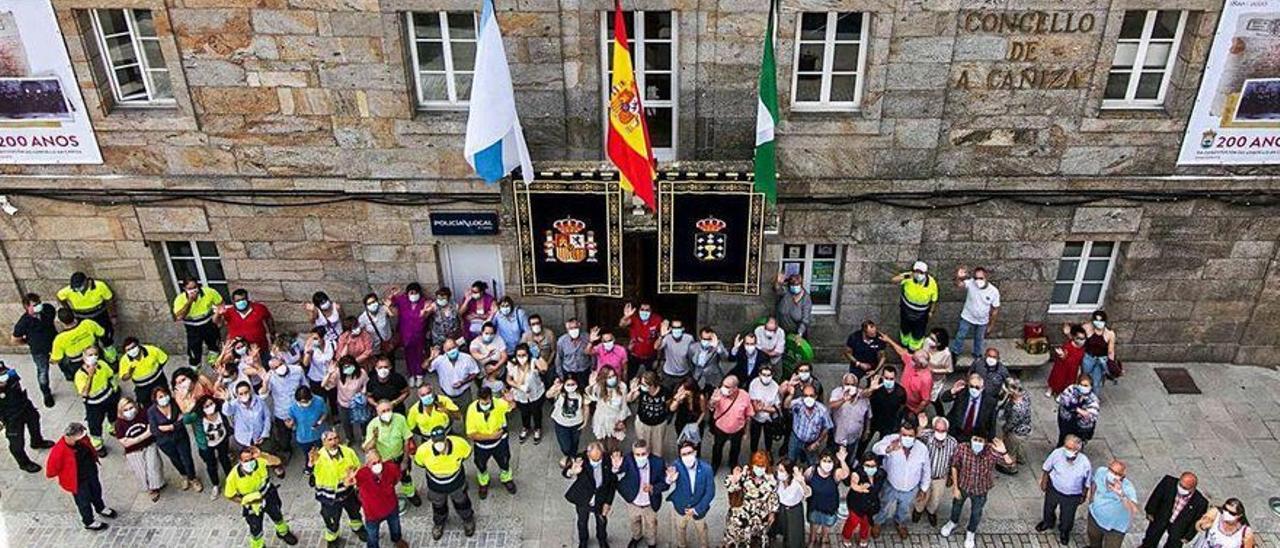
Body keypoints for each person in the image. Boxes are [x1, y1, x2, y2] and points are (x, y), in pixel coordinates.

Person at [940, 435, 1012, 547]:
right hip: (963, 485)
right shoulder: (963, 448)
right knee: (956, 505)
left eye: (980, 440)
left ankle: (971, 531)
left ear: (985, 442)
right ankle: (953, 522)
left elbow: (1009, 464)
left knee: (976, 512)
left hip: (981, 489)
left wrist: (1004, 452)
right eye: (975, 439)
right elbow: (954, 465)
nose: (977, 442)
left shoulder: (991, 451)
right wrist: (955, 487)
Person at [46, 422, 118, 531]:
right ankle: (89, 521)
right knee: (83, 502)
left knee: (96, 491)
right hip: (77, 481)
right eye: (79, 436)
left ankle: (101, 508)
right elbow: (51, 471)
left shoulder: (82, 440)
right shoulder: (59, 451)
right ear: (70, 437)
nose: (83, 437)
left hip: (91, 472)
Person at [224, 446, 300, 547]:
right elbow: (230, 495)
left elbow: (277, 461)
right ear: (240, 461)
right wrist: (244, 501)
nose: (250, 462)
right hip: (252, 504)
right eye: (246, 460)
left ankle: (283, 533)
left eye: (251, 459)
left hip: (268, 495)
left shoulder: (260, 460)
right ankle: (258, 546)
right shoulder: (233, 477)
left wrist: (262, 455)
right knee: (255, 528)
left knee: (277, 515)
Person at [871, 422, 931, 541]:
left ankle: (900, 523)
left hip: (910, 488)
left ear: (915, 436)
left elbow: (926, 470)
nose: (907, 438)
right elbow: (875, 448)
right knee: (884, 506)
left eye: (910, 436)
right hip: (891, 485)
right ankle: (878, 523)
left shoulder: (922, 448)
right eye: (904, 434)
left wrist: (924, 489)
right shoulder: (891, 440)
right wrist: (888, 449)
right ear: (899, 433)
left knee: (904, 509)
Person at [414, 426, 476, 539]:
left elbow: (466, 454)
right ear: (431, 440)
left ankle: (468, 520)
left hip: (456, 483)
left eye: (441, 440)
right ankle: (439, 523)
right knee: (438, 505)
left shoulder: (459, 444)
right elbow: (420, 463)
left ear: (446, 437)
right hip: (435, 486)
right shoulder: (423, 451)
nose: (439, 444)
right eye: (436, 441)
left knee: (462, 502)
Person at [311, 430, 367, 547]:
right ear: (324, 442)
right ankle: (332, 538)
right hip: (330, 498)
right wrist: (310, 464)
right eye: (330, 440)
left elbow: (357, 467)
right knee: (332, 521)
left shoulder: (348, 451)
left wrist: (354, 477)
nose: (334, 442)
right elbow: (309, 472)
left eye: (336, 438)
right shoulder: (318, 457)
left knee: (355, 513)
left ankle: (358, 528)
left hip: (349, 493)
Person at [0, 360, 55, 472]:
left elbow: (12, 374)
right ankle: (24, 463)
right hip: (11, 416)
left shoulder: (7, 372)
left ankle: (37, 442)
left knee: (34, 421)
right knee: (17, 442)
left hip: (23, 404)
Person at [1037, 435, 1093, 544]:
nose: (1068, 451)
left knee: (1068, 516)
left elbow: (1087, 482)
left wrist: (1084, 495)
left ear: (1078, 449)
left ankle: (1064, 531)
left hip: (1072, 495)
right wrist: (1044, 482)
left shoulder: (1085, 463)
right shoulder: (1057, 453)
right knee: (1048, 508)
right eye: (1067, 447)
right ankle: (1048, 522)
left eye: (1071, 448)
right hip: (1054, 488)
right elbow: (1047, 468)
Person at [362, 400, 418, 507]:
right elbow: (367, 448)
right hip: (384, 461)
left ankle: (411, 494)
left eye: (388, 410)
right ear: (377, 412)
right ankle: (391, 500)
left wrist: (405, 460)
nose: (386, 413)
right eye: (383, 411)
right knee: (387, 483)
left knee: (406, 478)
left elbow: (406, 440)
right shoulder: (372, 425)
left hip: (400, 456)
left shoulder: (400, 419)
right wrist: (374, 437)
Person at [615, 439, 670, 548]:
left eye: (643, 454)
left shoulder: (658, 462)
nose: (640, 456)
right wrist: (616, 467)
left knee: (651, 525)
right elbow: (619, 472)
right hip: (633, 502)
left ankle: (651, 543)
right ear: (633, 453)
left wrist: (653, 487)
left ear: (648, 452)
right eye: (637, 454)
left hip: (650, 503)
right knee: (634, 522)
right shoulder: (628, 460)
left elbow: (665, 483)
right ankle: (636, 537)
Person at [564, 441, 619, 548]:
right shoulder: (580, 459)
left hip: (601, 498)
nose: (597, 461)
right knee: (582, 521)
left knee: (602, 521)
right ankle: (583, 540)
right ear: (588, 454)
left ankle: (602, 539)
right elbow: (566, 472)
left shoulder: (608, 460)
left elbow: (612, 483)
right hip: (584, 498)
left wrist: (608, 503)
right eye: (594, 459)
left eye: (599, 458)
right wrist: (572, 472)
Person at [464, 387, 517, 497]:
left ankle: (506, 479)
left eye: (487, 401)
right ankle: (484, 482)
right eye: (483, 402)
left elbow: (511, 406)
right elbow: (471, 434)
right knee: (481, 465)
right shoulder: (472, 410)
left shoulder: (498, 403)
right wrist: (491, 436)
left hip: (500, 443)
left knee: (504, 462)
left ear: (491, 397)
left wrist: (511, 400)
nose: (486, 404)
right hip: (481, 446)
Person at [148, 385, 202, 491]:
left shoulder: (174, 403)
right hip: (165, 442)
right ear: (155, 399)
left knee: (187, 458)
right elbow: (154, 430)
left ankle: (192, 478)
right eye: (160, 396)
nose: (163, 398)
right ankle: (184, 475)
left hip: (180, 436)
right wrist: (170, 426)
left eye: (165, 395)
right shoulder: (152, 411)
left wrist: (170, 427)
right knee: (175, 459)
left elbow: (183, 420)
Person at [723, 451, 780, 547]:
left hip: (760, 514)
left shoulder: (771, 479)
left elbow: (773, 496)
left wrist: (772, 513)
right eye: (757, 465)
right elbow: (730, 486)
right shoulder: (746, 474)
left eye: (762, 466)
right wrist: (734, 479)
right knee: (737, 535)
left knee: (757, 539)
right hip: (743, 512)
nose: (759, 469)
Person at [260, 356, 305, 475]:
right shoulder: (270, 378)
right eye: (274, 368)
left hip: (299, 409)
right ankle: (287, 451)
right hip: (282, 413)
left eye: (279, 365)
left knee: (304, 432)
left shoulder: (297, 370)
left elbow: (305, 386)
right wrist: (265, 382)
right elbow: (263, 396)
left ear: (284, 362)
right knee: (284, 440)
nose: (278, 368)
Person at [115, 396, 165, 500]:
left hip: (149, 444)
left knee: (154, 466)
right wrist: (142, 437)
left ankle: (156, 486)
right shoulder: (119, 424)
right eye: (126, 410)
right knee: (141, 471)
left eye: (131, 408)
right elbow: (125, 442)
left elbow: (150, 429)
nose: (129, 411)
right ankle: (149, 488)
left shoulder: (143, 413)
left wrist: (135, 440)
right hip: (133, 451)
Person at [10, 292, 57, 406]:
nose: (39, 306)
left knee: (64, 362)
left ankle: (68, 374)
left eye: (39, 303)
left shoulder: (47, 310)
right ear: (27, 307)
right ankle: (46, 393)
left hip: (55, 344)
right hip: (39, 351)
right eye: (35, 305)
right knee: (43, 372)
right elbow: (14, 339)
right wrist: (29, 342)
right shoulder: (24, 322)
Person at [356, 449, 409, 548]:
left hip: (391, 507)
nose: (377, 465)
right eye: (374, 463)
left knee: (395, 527)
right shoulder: (361, 474)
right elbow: (350, 482)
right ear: (367, 465)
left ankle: (397, 540)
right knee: (372, 535)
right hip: (372, 514)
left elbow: (396, 479)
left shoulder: (391, 468)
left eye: (379, 461)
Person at [668, 440, 716, 548]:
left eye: (689, 453)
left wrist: (697, 509)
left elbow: (710, 492)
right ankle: (682, 545)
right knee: (680, 528)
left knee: (702, 530)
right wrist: (669, 479)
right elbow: (667, 477)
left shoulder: (706, 469)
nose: (687, 456)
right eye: (683, 454)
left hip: (699, 508)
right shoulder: (676, 465)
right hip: (681, 507)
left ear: (695, 452)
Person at [1141, 472, 1209, 548]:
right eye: (1180, 485)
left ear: (1193, 488)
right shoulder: (1168, 482)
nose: (1181, 489)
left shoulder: (1200, 502)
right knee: (1151, 538)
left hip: (1180, 527)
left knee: (1173, 545)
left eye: (1185, 488)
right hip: (1162, 516)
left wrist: (1188, 536)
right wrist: (1150, 511)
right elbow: (1156, 496)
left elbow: (1196, 521)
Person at [74, 346, 119, 455]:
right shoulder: (80, 375)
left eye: (95, 354)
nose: (93, 357)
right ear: (83, 357)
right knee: (95, 425)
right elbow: (84, 393)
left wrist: (114, 389)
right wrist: (90, 375)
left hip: (108, 398)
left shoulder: (102, 365)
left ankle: (113, 429)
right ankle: (98, 445)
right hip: (94, 405)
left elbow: (110, 376)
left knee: (113, 415)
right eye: (90, 355)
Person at [913, 416, 957, 527]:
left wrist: (951, 477)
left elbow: (954, 461)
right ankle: (918, 510)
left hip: (941, 477)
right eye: (937, 430)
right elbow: (914, 438)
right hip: (925, 476)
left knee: (936, 498)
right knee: (922, 496)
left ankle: (931, 512)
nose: (940, 432)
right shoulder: (927, 435)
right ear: (933, 428)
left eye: (943, 430)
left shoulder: (952, 442)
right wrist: (921, 427)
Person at [187, 394, 234, 499]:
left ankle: (232, 481)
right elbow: (186, 420)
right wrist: (188, 410)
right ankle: (215, 485)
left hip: (222, 440)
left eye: (211, 404)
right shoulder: (198, 417)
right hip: (207, 445)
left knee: (225, 460)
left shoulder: (220, 412)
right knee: (211, 465)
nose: (209, 407)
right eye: (206, 406)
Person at [57, 272, 117, 353]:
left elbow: (109, 300)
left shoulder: (100, 286)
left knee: (106, 337)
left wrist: (113, 316)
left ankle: (111, 357)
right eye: (75, 288)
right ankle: (95, 356)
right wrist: (68, 310)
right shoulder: (68, 290)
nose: (77, 289)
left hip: (99, 315)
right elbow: (60, 297)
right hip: (82, 317)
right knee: (89, 340)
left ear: (86, 281)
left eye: (79, 286)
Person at [1087, 459, 1140, 548]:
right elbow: (1094, 483)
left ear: (1123, 476)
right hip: (1095, 517)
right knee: (1093, 539)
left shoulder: (1127, 488)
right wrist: (1091, 501)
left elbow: (1134, 509)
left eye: (1117, 473)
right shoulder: (1101, 472)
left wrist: (1121, 494)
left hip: (1115, 528)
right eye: (1111, 470)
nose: (1112, 474)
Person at [950, 266, 1000, 359]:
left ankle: (977, 355)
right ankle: (955, 352)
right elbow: (959, 284)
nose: (978, 281)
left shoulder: (994, 291)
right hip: (967, 316)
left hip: (982, 320)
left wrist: (991, 325)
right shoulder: (971, 283)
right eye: (976, 278)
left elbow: (995, 310)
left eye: (981, 278)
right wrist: (958, 277)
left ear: (986, 278)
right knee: (960, 335)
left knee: (979, 339)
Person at [172, 278, 223, 368]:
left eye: (195, 287)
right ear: (184, 288)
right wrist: (190, 301)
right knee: (194, 352)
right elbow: (179, 317)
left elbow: (220, 304)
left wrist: (217, 315)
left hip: (209, 325)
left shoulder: (209, 292)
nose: (193, 290)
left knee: (214, 347)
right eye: (190, 288)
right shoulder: (180, 299)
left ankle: (215, 365)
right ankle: (195, 370)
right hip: (193, 330)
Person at [880, 335, 934, 417]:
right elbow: (902, 352)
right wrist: (889, 340)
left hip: (911, 407)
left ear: (920, 364)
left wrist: (915, 412)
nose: (911, 359)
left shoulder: (926, 379)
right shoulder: (911, 361)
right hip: (900, 397)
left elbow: (925, 400)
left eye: (914, 360)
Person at [805, 449, 850, 547]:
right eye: (824, 460)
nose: (827, 464)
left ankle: (824, 538)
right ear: (819, 461)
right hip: (814, 504)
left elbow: (845, 474)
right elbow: (805, 481)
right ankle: (812, 539)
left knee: (827, 524)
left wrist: (842, 460)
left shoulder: (835, 473)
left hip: (830, 505)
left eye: (829, 461)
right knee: (814, 523)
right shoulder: (811, 470)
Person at [708, 375, 754, 471]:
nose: (724, 388)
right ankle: (715, 464)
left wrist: (747, 431)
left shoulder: (744, 396)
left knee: (735, 448)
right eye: (723, 385)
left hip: (737, 429)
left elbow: (748, 415)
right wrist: (713, 401)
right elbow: (711, 407)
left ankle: (733, 464)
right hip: (720, 428)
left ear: (735, 388)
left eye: (727, 387)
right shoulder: (718, 394)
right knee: (717, 447)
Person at [387, 283, 430, 386]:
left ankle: (419, 374)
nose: (413, 294)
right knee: (408, 355)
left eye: (415, 293)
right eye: (411, 292)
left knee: (419, 354)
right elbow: (391, 302)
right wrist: (392, 294)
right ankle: (411, 375)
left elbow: (428, 312)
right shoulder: (402, 300)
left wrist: (425, 311)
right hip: (405, 334)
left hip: (419, 335)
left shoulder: (424, 302)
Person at [50, 307, 106, 383]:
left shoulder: (60, 339)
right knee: (102, 375)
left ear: (61, 322)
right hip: (95, 356)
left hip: (77, 364)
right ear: (74, 315)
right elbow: (102, 333)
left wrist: (51, 360)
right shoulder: (88, 323)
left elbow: (57, 359)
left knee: (84, 381)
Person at [219, 288, 275, 364]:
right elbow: (217, 322)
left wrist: (272, 333)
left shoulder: (259, 308)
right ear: (233, 301)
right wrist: (218, 313)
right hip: (240, 351)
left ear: (248, 299)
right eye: (238, 300)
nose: (241, 302)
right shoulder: (229, 312)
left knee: (265, 365)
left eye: (243, 299)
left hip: (260, 347)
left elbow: (269, 319)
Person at [890, 261, 938, 351]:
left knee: (918, 333)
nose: (918, 274)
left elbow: (934, 299)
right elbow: (893, 280)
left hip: (921, 314)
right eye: (916, 271)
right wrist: (907, 276)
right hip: (906, 310)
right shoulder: (909, 276)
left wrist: (931, 311)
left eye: (921, 272)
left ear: (926, 273)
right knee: (905, 329)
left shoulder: (932, 283)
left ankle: (913, 349)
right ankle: (904, 345)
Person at [506, 343, 547, 443]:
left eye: (524, 355)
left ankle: (537, 428)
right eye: (519, 355)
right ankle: (526, 427)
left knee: (536, 412)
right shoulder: (512, 364)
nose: (521, 358)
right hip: (521, 396)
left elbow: (544, 369)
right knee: (524, 413)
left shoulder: (533, 362)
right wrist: (519, 386)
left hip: (536, 394)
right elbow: (509, 379)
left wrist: (538, 356)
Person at [325, 355, 370, 446]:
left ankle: (364, 437)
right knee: (346, 422)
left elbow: (366, 385)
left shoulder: (361, 373)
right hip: (343, 403)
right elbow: (326, 386)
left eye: (350, 365)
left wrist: (363, 393)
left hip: (358, 404)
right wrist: (329, 373)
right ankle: (349, 438)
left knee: (363, 421)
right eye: (345, 367)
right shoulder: (338, 373)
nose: (348, 368)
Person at [841, 453, 884, 548]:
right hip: (857, 504)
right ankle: (846, 536)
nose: (870, 468)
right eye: (867, 465)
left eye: (873, 466)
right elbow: (853, 484)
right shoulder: (857, 473)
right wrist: (860, 488)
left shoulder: (880, 474)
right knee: (852, 522)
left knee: (866, 522)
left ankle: (863, 537)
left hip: (871, 504)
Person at [941, 373, 998, 442]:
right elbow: (944, 398)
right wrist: (953, 391)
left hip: (975, 436)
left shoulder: (989, 402)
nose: (974, 389)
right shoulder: (962, 393)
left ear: (982, 388)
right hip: (955, 431)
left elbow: (992, 423)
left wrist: (990, 440)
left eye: (977, 387)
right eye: (971, 386)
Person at [828, 373, 870, 465]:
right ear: (843, 384)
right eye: (847, 384)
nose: (850, 387)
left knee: (850, 458)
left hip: (854, 437)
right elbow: (832, 405)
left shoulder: (863, 397)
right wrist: (843, 399)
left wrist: (866, 430)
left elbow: (868, 415)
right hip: (838, 436)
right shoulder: (837, 392)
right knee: (836, 459)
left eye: (852, 385)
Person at [429, 338, 480, 412]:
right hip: (446, 394)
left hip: (464, 394)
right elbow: (425, 367)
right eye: (449, 349)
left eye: (453, 347)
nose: (452, 351)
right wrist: (431, 358)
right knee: (449, 414)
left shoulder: (467, 358)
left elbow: (475, 372)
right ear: (444, 350)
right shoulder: (440, 360)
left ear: (457, 346)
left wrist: (463, 382)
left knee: (467, 412)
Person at [117, 337, 170, 410]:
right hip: (142, 387)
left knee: (165, 399)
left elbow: (164, 359)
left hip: (158, 381)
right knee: (147, 406)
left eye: (133, 347)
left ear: (138, 345)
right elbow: (124, 378)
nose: (132, 350)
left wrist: (157, 369)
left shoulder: (151, 350)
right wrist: (130, 372)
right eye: (128, 349)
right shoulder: (124, 360)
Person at [287, 386, 328, 477]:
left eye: (305, 401)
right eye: (301, 402)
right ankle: (310, 466)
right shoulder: (293, 407)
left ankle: (324, 467)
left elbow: (324, 413)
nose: (304, 403)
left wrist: (319, 422)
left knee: (323, 452)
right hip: (303, 436)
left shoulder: (319, 401)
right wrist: (290, 424)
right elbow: (291, 421)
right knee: (308, 454)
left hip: (319, 433)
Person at [787, 384, 832, 466]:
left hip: (812, 441)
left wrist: (817, 442)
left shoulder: (822, 410)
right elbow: (786, 405)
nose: (808, 398)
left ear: (816, 396)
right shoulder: (798, 403)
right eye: (805, 395)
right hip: (796, 438)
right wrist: (790, 395)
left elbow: (826, 427)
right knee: (791, 460)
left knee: (812, 464)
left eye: (811, 396)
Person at [630, 371, 672, 456]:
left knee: (658, 449)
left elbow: (668, 404)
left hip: (659, 424)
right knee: (644, 447)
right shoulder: (641, 390)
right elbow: (629, 399)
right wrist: (632, 391)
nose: (642, 386)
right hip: (643, 423)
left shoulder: (665, 391)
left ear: (652, 384)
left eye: (644, 384)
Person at [546, 376, 587, 463]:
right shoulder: (560, 393)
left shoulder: (581, 394)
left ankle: (572, 456)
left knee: (575, 441)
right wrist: (555, 387)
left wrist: (585, 421)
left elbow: (586, 407)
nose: (571, 386)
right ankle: (566, 454)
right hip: (561, 423)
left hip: (576, 423)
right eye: (568, 384)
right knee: (565, 445)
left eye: (573, 384)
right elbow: (548, 395)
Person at [587, 367, 631, 447]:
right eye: (609, 377)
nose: (612, 379)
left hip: (616, 418)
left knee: (614, 444)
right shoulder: (599, 387)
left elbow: (624, 405)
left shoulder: (622, 387)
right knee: (602, 443)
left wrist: (621, 420)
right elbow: (592, 397)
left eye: (613, 376)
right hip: (601, 418)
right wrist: (592, 385)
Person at [996, 377, 1032, 475]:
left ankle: (1011, 467)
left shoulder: (1017, 409)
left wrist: (1004, 431)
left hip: (1016, 433)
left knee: (1010, 449)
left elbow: (1011, 424)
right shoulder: (1025, 396)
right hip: (1025, 429)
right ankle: (1020, 458)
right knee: (1017, 446)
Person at [620, 302, 663, 381]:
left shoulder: (657, 319)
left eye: (647, 310)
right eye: (642, 309)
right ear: (638, 310)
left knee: (651, 378)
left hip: (650, 356)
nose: (644, 312)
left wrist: (658, 358)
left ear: (651, 311)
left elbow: (661, 335)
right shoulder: (634, 318)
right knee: (631, 377)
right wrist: (626, 316)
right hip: (634, 355)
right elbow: (622, 324)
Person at [864, 366, 906, 447]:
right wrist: (871, 389)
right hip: (873, 420)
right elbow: (864, 396)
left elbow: (902, 407)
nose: (889, 381)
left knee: (884, 445)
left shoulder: (900, 392)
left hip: (889, 423)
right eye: (886, 378)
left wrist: (897, 425)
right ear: (882, 377)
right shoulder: (876, 387)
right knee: (864, 441)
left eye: (891, 379)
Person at [225, 380, 271, 451]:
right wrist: (227, 401)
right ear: (237, 395)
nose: (244, 395)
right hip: (243, 440)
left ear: (250, 391)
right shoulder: (235, 404)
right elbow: (227, 411)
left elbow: (267, 417)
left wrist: (264, 434)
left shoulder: (259, 401)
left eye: (246, 392)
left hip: (259, 436)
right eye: (241, 393)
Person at [1080, 311, 1117, 397]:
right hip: (1088, 358)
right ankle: (1082, 396)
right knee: (1084, 378)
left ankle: (1094, 399)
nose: (1098, 323)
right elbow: (1079, 339)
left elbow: (1111, 351)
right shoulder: (1087, 327)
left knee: (1096, 382)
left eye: (1101, 320)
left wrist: (1111, 365)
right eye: (1096, 320)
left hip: (1101, 360)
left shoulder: (1110, 334)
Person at [774, 459, 810, 548]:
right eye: (778, 469)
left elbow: (808, 493)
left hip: (794, 511)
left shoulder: (796, 482)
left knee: (794, 536)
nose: (779, 472)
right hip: (782, 509)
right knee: (784, 532)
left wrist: (802, 482)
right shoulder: (778, 481)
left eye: (782, 470)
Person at [747, 364, 782, 456]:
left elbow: (776, 408)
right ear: (759, 374)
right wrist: (764, 408)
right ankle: (753, 453)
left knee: (768, 438)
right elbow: (755, 405)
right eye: (764, 374)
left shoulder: (775, 386)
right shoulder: (754, 383)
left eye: (768, 375)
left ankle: (768, 453)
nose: (766, 377)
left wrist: (762, 408)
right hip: (756, 417)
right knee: (754, 437)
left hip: (769, 418)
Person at [1057, 375, 1100, 447]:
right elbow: (1064, 400)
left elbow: (1090, 415)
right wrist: (1078, 410)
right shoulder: (1071, 389)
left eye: (1086, 385)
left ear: (1091, 386)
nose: (1083, 387)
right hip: (1066, 421)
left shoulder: (1093, 400)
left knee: (1077, 443)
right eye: (1081, 384)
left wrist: (1072, 408)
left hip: (1081, 427)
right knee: (1063, 438)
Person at [304, 328, 339, 413]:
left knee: (333, 398)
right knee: (319, 399)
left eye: (316, 338)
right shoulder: (310, 346)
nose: (313, 340)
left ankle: (335, 415)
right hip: (316, 378)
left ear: (322, 337)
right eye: (312, 338)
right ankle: (321, 415)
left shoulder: (332, 344)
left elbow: (337, 357)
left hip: (330, 377)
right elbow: (305, 363)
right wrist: (308, 353)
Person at [655, 319, 696, 390]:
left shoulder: (689, 338)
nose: (676, 330)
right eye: (674, 328)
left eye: (678, 328)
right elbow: (656, 347)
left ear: (683, 328)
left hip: (684, 374)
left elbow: (693, 353)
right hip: (668, 374)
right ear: (671, 328)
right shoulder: (667, 338)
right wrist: (661, 336)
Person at [1049, 324, 1088, 397]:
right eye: (1079, 338)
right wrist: (1061, 355)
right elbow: (1064, 357)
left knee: (1068, 382)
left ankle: (1062, 393)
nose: (1081, 341)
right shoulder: (1068, 346)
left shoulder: (1083, 349)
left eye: (1083, 339)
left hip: (1073, 369)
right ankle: (1051, 389)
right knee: (1057, 379)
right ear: (1074, 338)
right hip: (1063, 368)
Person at [469, 321, 509, 394]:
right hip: (484, 375)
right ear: (482, 332)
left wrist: (496, 367)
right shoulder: (475, 343)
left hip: (499, 371)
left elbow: (504, 356)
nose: (489, 335)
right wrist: (485, 356)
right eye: (486, 333)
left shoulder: (498, 339)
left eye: (491, 333)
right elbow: (475, 354)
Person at [671, 377, 707, 451]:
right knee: (681, 442)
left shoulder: (700, 397)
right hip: (682, 421)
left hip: (695, 422)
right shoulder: (680, 396)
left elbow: (703, 411)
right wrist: (678, 399)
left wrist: (696, 424)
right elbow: (672, 408)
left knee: (696, 444)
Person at [554, 319, 593, 388]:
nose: (574, 330)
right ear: (567, 329)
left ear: (579, 326)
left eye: (575, 327)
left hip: (584, 371)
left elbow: (592, 355)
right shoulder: (562, 341)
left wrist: (592, 370)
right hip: (569, 372)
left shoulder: (587, 338)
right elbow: (559, 358)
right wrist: (560, 375)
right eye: (571, 328)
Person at [924, 328, 954, 416]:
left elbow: (949, 370)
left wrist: (934, 371)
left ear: (939, 343)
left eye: (933, 340)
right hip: (924, 375)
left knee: (934, 399)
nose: (929, 341)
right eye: (930, 337)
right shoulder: (926, 342)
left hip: (935, 379)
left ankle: (941, 415)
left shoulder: (946, 354)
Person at [773, 273, 812, 340]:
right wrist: (778, 282)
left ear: (801, 284)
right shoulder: (787, 292)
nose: (794, 287)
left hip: (797, 332)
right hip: (782, 329)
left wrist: (799, 334)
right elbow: (777, 290)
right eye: (792, 285)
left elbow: (805, 319)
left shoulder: (806, 298)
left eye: (797, 284)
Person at [689, 328, 728, 394]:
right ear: (700, 337)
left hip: (713, 378)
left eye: (709, 339)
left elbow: (725, 357)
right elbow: (690, 361)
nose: (706, 341)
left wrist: (717, 348)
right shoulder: (693, 347)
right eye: (704, 339)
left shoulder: (717, 345)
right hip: (697, 377)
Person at [358, 292, 395, 357]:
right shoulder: (363, 318)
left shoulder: (383, 309)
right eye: (369, 304)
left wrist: (389, 306)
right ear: (366, 306)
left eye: (373, 302)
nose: (372, 304)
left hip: (387, 345)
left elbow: (393, 315)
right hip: (374, 349)